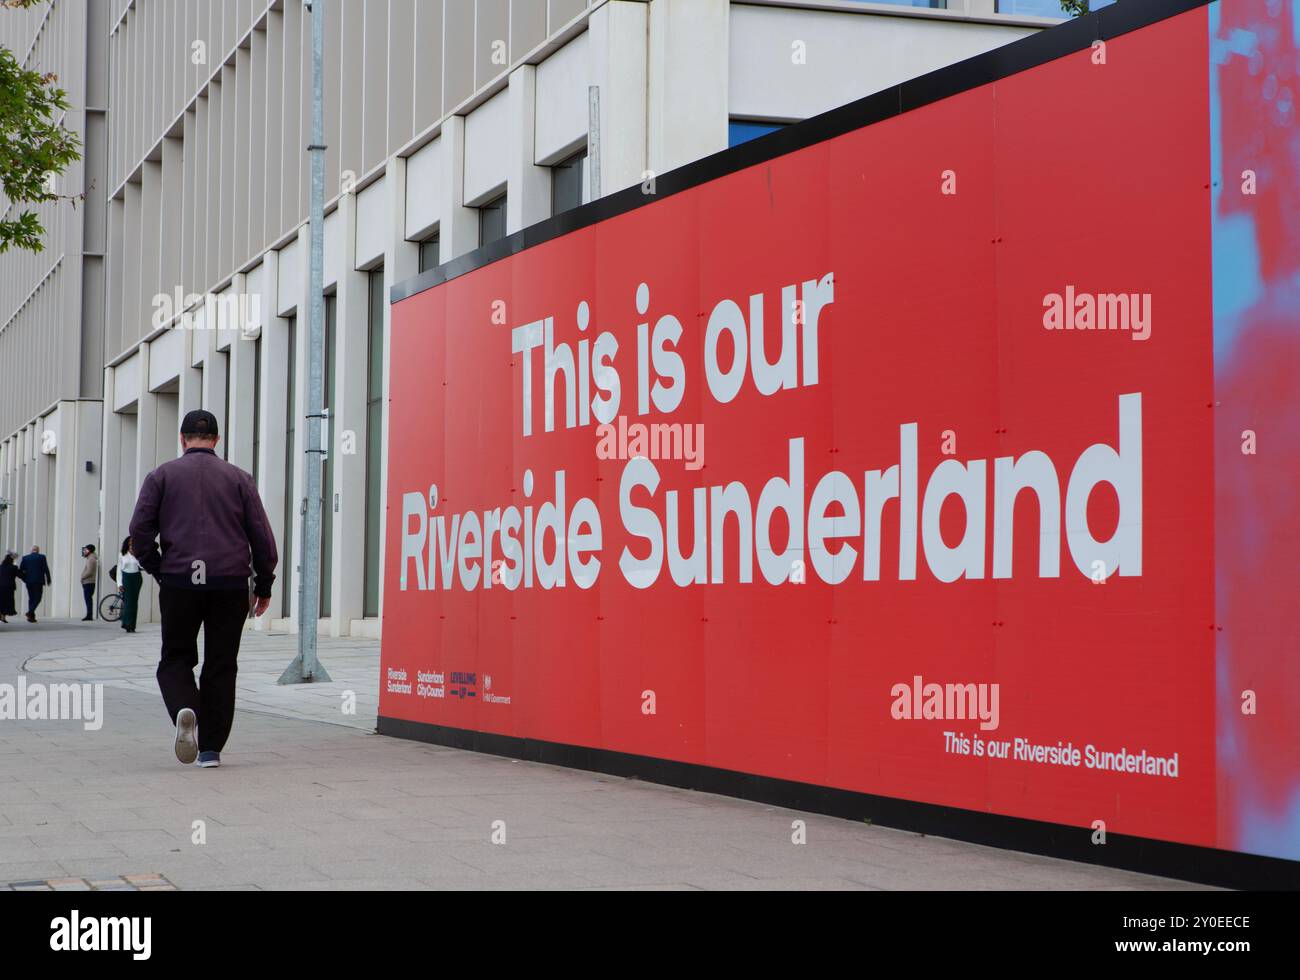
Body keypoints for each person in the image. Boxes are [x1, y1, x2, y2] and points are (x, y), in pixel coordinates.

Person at [128, 410, 277, 769]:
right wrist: (264, 582)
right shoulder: (240, 479)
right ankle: (210, 749)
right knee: (222, 664)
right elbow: (262, 536)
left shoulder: (160, 476)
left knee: (176, 657)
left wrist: (159, 569)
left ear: (182, 438)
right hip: (229, 583)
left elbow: (140, 531)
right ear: (217, 439)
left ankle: (185, 707)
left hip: (180, 580)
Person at [18, 546, 51, 623]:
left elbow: (20, 570)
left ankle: (31, 617)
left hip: (29, 581)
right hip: (38, 581)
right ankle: (30, 612)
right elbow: (46, 568)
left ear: (31, 550)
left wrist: (24, 579)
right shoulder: (42, 557)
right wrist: (48, 579)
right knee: (38, 598)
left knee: (31, 598)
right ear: (38, 550)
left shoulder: (25, 558)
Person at [118, 536, 143, 633]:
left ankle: (132, 625)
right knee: (128, 601)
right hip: (126, 577)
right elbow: (119, 570)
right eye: (130, 543)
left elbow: (141, 566)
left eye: (133, 543)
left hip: (136, 577)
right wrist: (119, 584)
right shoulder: (122, 554)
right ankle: (126, 623)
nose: (131, 545)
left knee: (134, 601)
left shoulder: (137, 554)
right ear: (126, 544)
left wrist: (136, 556)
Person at [79, 544, 98, 622]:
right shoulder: (90, 558)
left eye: (85, 550)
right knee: (88, 599)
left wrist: (82, 577)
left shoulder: (91, 559)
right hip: (88, 582)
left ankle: (89, 615)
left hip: (89, 582)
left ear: (89, 550)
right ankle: (89, 614)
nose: (84, 551)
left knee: (88, 599)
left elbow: (89, 571)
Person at [0, 552, 18, 623]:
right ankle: (3, 617)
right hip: (9, 588)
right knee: (7, 603)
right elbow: (20, 574)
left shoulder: (0, 567)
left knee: (1, 602)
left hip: (0, 587)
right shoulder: (13, 568)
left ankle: (2, 616)